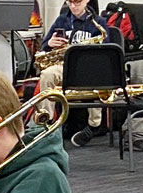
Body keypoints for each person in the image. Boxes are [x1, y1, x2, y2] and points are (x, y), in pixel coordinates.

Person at [36, 0, 108, 147]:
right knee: (47, 75)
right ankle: (48, 123)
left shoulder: (98, 22)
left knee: (97, 75)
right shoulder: (62, 20)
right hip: (64, 65)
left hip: (88, 67)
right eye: (70, 2)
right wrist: (49, 44)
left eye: (77, 2)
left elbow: (107, 52)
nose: (73, 6)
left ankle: (95, 124)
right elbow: (45, 45)